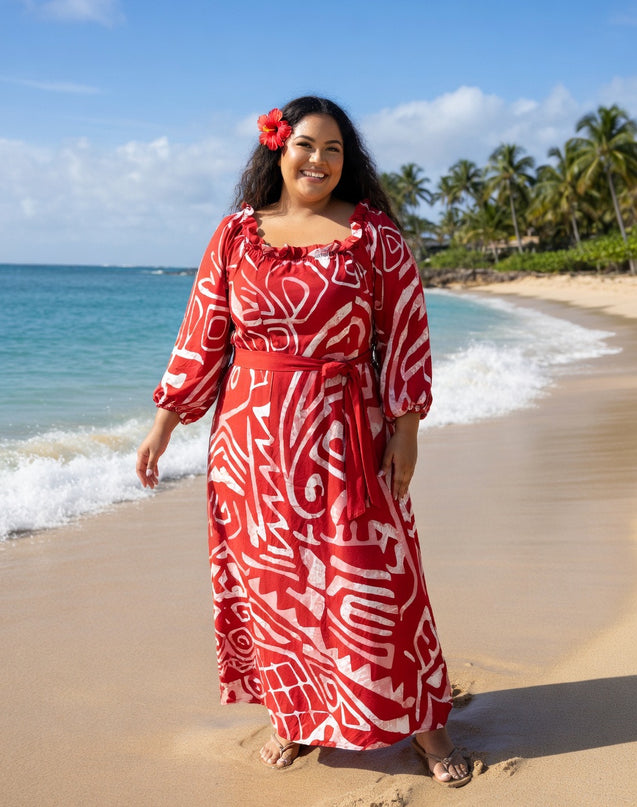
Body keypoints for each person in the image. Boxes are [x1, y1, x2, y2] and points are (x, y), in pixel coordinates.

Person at [136, 96, 471, 787]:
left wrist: (405, 430)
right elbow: (203, 332)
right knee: (272, 587)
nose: (318, 160)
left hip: (348, 429)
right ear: (277, 151)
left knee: (377, 575)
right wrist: (164, 421)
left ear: (346, 162)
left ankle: (427, 728)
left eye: (333, 150)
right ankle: (295, 717)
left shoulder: (373, 234)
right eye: (305, 146)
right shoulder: (234, 235)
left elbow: (404, 331)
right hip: (250, 443)